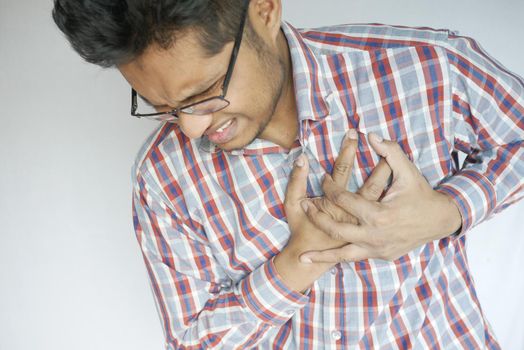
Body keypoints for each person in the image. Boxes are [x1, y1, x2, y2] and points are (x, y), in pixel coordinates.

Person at [52, 0, 523, 348]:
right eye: (163, 107)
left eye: (205, 91)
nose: (190, 127)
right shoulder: (163, 177)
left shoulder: (424, 67)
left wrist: (447, 212)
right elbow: (193, 340)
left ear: (263, 10)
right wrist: (294, 264)